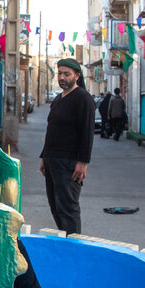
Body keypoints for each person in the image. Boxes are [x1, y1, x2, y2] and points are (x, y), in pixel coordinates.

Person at [39, 57, 95, 236]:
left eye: (66, 74)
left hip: (69, 163)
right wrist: (44, 158)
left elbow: (87, 132)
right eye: (60, 73)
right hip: (51, 160)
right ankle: (64, 242)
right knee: (55, 206)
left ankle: (73, 246)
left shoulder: (83, 98)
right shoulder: (58, 99)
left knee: (68, 209)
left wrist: (83, 162)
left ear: (77, 76)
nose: (62, 77)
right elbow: (51, 130)